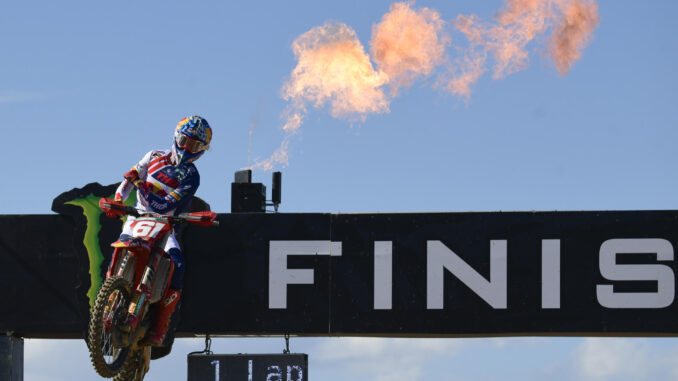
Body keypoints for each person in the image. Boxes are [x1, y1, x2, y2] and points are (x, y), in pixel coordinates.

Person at [113, 115, 212, 346]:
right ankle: (108, 296)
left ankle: (160, 325)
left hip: (166, 225)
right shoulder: (153, 156)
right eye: (185, 141)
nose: (187, 148)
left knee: (177, 263)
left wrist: (141, 186)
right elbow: (129, 178)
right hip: (137, 217)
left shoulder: (191, 176)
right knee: (119, 246)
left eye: (195, 145)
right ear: (176, 137)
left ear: (202, 150)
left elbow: (164, 204)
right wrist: (118, 199)